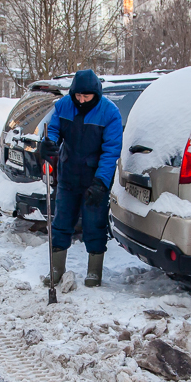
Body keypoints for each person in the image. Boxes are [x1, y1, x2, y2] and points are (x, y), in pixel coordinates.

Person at [39, 69, 123, 287]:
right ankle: (56, 268)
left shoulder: (110, 113)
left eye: (86, 96)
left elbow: (111, 151)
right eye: (78, 95)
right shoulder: (63, 105)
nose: (81, 100)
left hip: (94, 179)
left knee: (94, 224)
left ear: (96, 94)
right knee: (61, 221)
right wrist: (48, 143)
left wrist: (101, 182)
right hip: (68, 176)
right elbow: (53, 130)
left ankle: (94, 271)